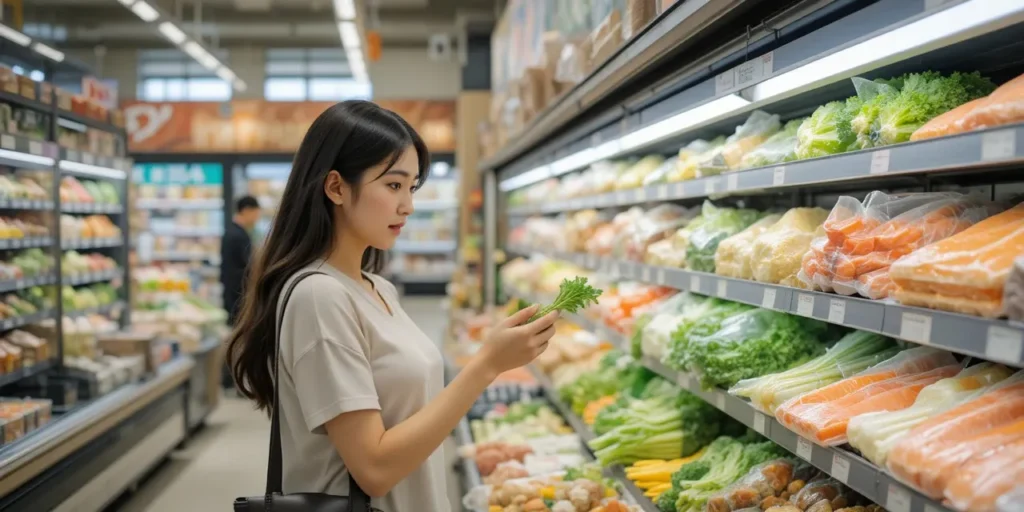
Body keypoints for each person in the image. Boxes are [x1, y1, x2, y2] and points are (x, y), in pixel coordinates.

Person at [225, 100, 558, 511]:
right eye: (393, 185)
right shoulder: (320, 297)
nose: (408, 205)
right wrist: (486, 365)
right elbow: (375, 468)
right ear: (336, 188)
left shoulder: (376, 287)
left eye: (412, 187)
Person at [220, 195, 261, 325]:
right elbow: (247, 265)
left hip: (231, 292)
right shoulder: (239, 236)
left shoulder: (231, 231)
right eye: (255, 213)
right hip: (238, 293)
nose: (257, 218)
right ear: (246, 210)